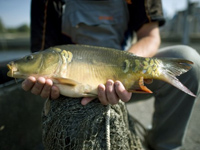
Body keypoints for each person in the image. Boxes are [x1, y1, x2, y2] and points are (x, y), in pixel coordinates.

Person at [22, 0, 200, 149]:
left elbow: (150, 36)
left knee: (189, 61)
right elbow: (42, 52)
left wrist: (125, 70)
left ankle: (161, 144)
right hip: (68, 86)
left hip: (125, 67)